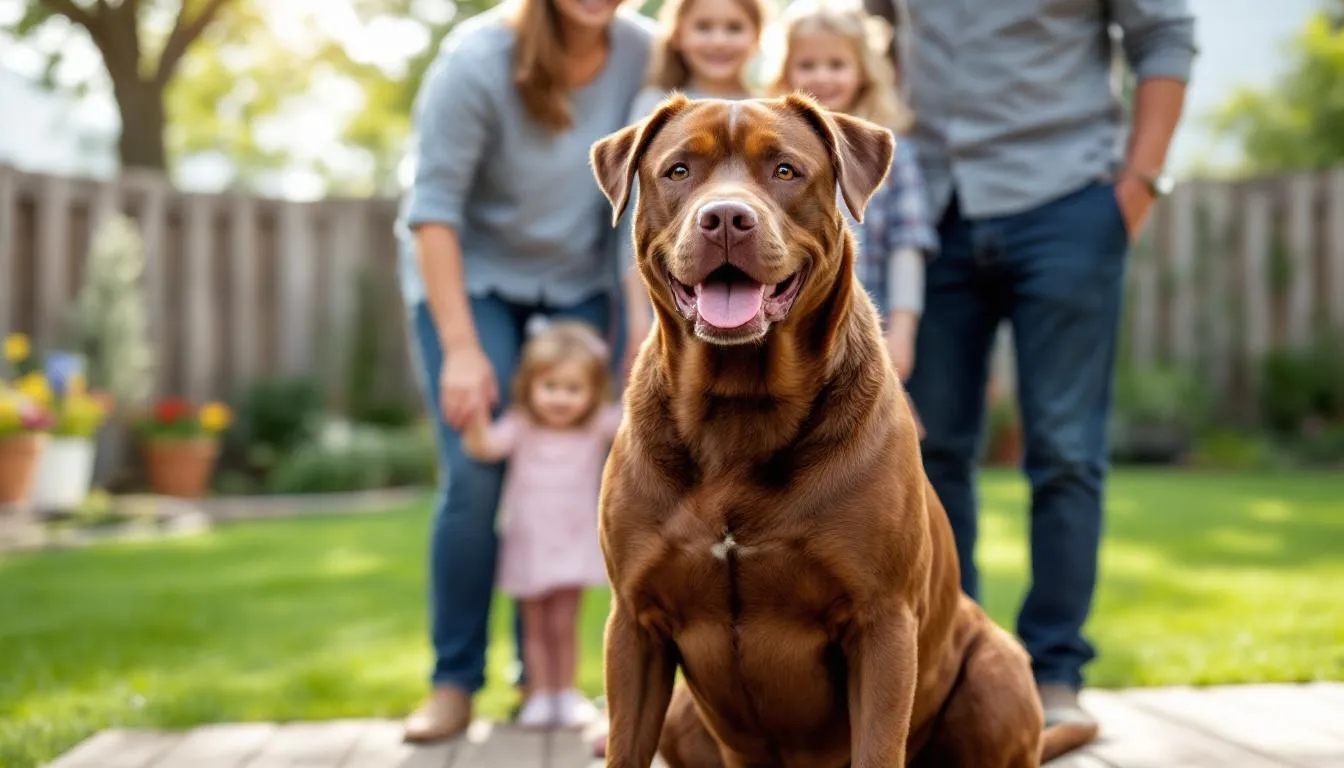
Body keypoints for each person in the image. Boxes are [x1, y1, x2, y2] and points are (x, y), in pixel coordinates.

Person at [863, 0, 1197, 728]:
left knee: (1066, 451)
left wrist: (1137, 187)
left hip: (1065, 200)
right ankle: (948, 659)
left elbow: (1165, 35)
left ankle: (1053, 668)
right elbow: (875, 29)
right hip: (935, 209)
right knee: (927, 452)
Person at [394, 0, 653, 743]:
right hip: (473, 284)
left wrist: (637, 317)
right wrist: (463, 346)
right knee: (477, 477)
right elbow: (432, 211)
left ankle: (558, 683)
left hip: (585, 285)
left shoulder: (644, 52)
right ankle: (453, 681)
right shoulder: (476, 61)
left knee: (599, 476)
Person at [460, 320, 621, 729]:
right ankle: (539, 693)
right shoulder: (521, 424)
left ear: (592, 391)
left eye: (573, 389)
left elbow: (631, 420)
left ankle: (566, 693)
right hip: (528, 541)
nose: (561, 399)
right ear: (529, 385)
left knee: (564, 624)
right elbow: (486, 447)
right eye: (550, 386)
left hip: (572, 539)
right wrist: (474, 416)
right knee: (533, 624)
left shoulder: (594, 426)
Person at [771, 0, 937, 383]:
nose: (822, 78)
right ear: (784, 72)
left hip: (866, 329)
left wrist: (902, 332)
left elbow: (907, 245)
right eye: (808, 65)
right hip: (788, 332)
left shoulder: (893, 152)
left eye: (837, 65)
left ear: (863, 72)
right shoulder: (771, 153)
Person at [616, 0, 767, 370]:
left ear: (757, 37)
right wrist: (639, 318)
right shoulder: (657, 110)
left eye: (733, 28)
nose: (718, 40)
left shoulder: (770, 112)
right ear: (678, 35)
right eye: (704, 27)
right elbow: (636, 226)